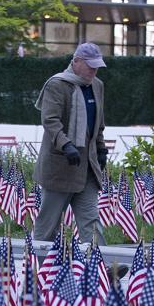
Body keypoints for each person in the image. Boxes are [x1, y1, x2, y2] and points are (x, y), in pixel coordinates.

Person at [32, 43, 108, 246]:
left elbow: (98, 122)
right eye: (90, 66)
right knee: (48, 225)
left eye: (97, 66)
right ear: (76, 62)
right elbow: (50, 121)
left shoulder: (97, 85)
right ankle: (41, 269)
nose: (94, 70)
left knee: (91, 221)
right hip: (60, 168)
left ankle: (100, 268)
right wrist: (66, 145)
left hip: (87, 168)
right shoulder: (57, 85)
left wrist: (101, 148)